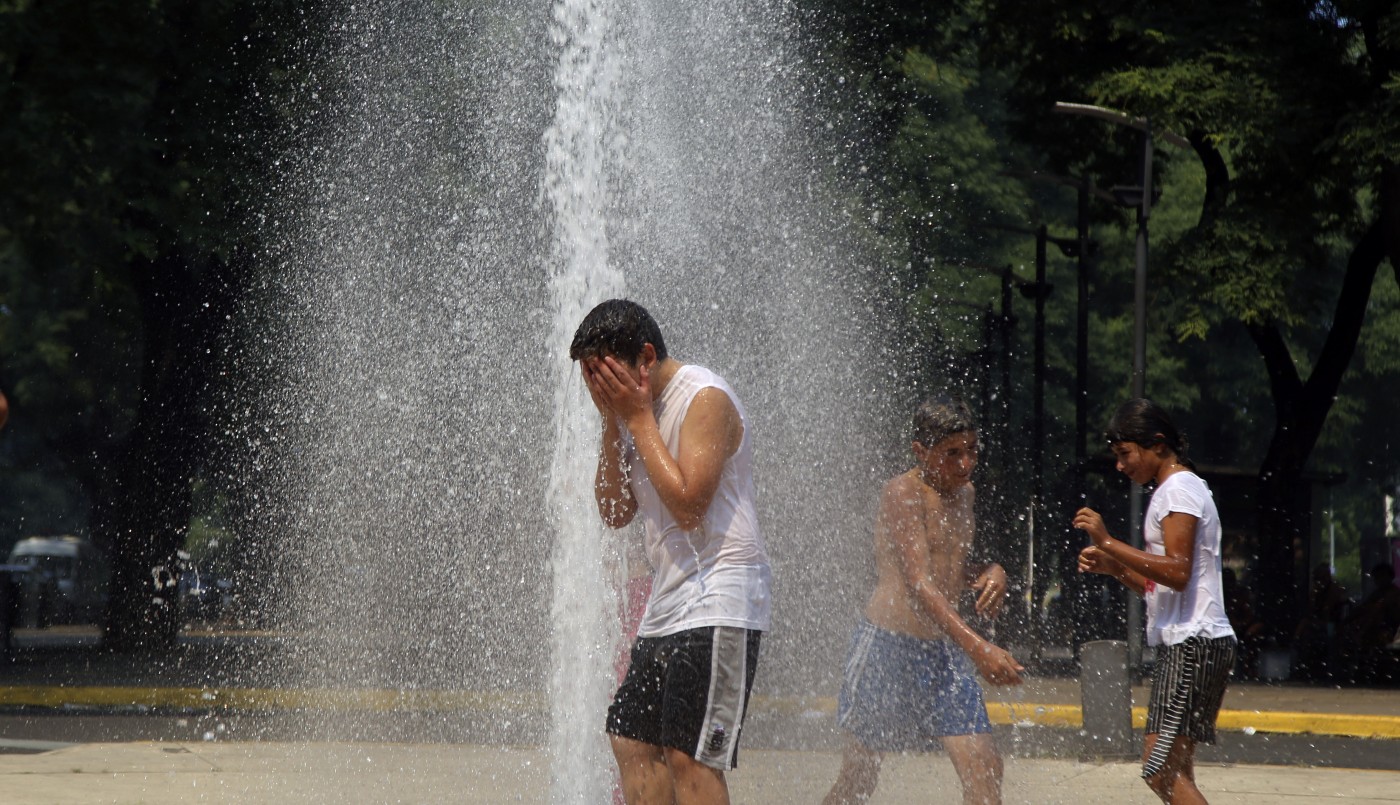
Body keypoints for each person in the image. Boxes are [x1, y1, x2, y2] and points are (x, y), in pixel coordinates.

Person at [571, 299, 772, 805]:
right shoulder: (631, 414)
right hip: (669, 604)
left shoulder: (705, 398)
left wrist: (635, 418)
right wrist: (612, 426)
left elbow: (689, 506)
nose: (597, 389)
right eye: (591, 378)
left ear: (643, 358)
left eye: (604, 374)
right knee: (631, 737)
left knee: (690, 755)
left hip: (721, 596)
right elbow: (615, 512)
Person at [823, 395, 1021, 805]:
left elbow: (949, 569)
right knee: (859, 781)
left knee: (985, 769)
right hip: (886, 647)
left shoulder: (965, 493)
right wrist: (979, 647)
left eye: (971, 451)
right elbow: (919, 582)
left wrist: (990, 571)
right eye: (952, 454)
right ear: (921, 451)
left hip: (943, 652)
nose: (965, 464)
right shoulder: (902, 492)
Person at [1074, 398, 1236, 804]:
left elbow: (1177, 571)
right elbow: (1161, 584)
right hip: (1196, 642)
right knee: (1177, 768)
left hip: (1191, 644)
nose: (1120, 465)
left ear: (1158, 444)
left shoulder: (1178, 488)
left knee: (1159, 768)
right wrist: (1115, 568)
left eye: (1125, 453)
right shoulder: (1179, 487)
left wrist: (1109, 542)